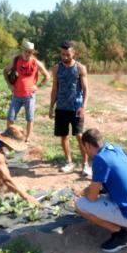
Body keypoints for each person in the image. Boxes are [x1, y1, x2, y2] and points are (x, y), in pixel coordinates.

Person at [76, 129, 127, 253]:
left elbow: (91, 197)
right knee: (106, 193)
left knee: (81, 205)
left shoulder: (99, 159)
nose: (85, 150)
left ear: (88, 145)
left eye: (84, 147)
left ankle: (122, 235)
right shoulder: (115, 148)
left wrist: (85, 191)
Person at [49, 41, 91, 176]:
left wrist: (83, 107)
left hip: (76, 108)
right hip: (61, 108)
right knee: (64, 136)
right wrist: (51, 107)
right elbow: (55, 89)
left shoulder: (80, 68)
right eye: (62, 54)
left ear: (74, 53)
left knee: (79, 136)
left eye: (68, 54)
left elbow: (85, 90)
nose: (65, 57)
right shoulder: (56, 68)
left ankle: (85, 165)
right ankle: (69, 162)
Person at [4, 41, 50, 143]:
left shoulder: (35, 63)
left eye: (30, 52)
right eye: (26, 51)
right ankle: (9, 136)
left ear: (32, 52)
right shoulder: (16, 60)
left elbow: (47, 76)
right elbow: (5, 71)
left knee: (29, 118)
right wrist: (9, 85)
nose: (27, 53)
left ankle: (27, 138)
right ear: (22, 50)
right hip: (16, 95)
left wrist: (38, 86)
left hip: (29, 96)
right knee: (10, 116)